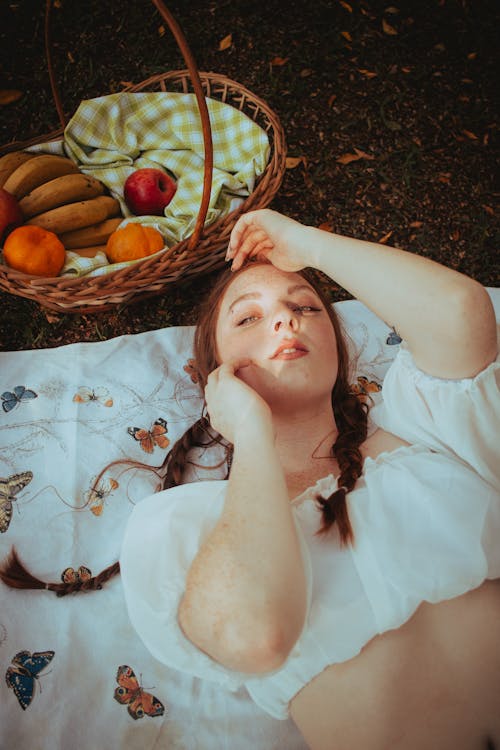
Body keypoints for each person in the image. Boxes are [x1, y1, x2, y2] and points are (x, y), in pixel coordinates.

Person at [2, 209, 499, 747]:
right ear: (217, 373)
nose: (285, 321)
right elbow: (255, 637)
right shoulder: (189, 527)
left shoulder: (418, 423)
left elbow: (464, 314)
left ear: (338, 345)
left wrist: (308, 246)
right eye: (248, 319)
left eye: (304, 307)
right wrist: (253, 437)